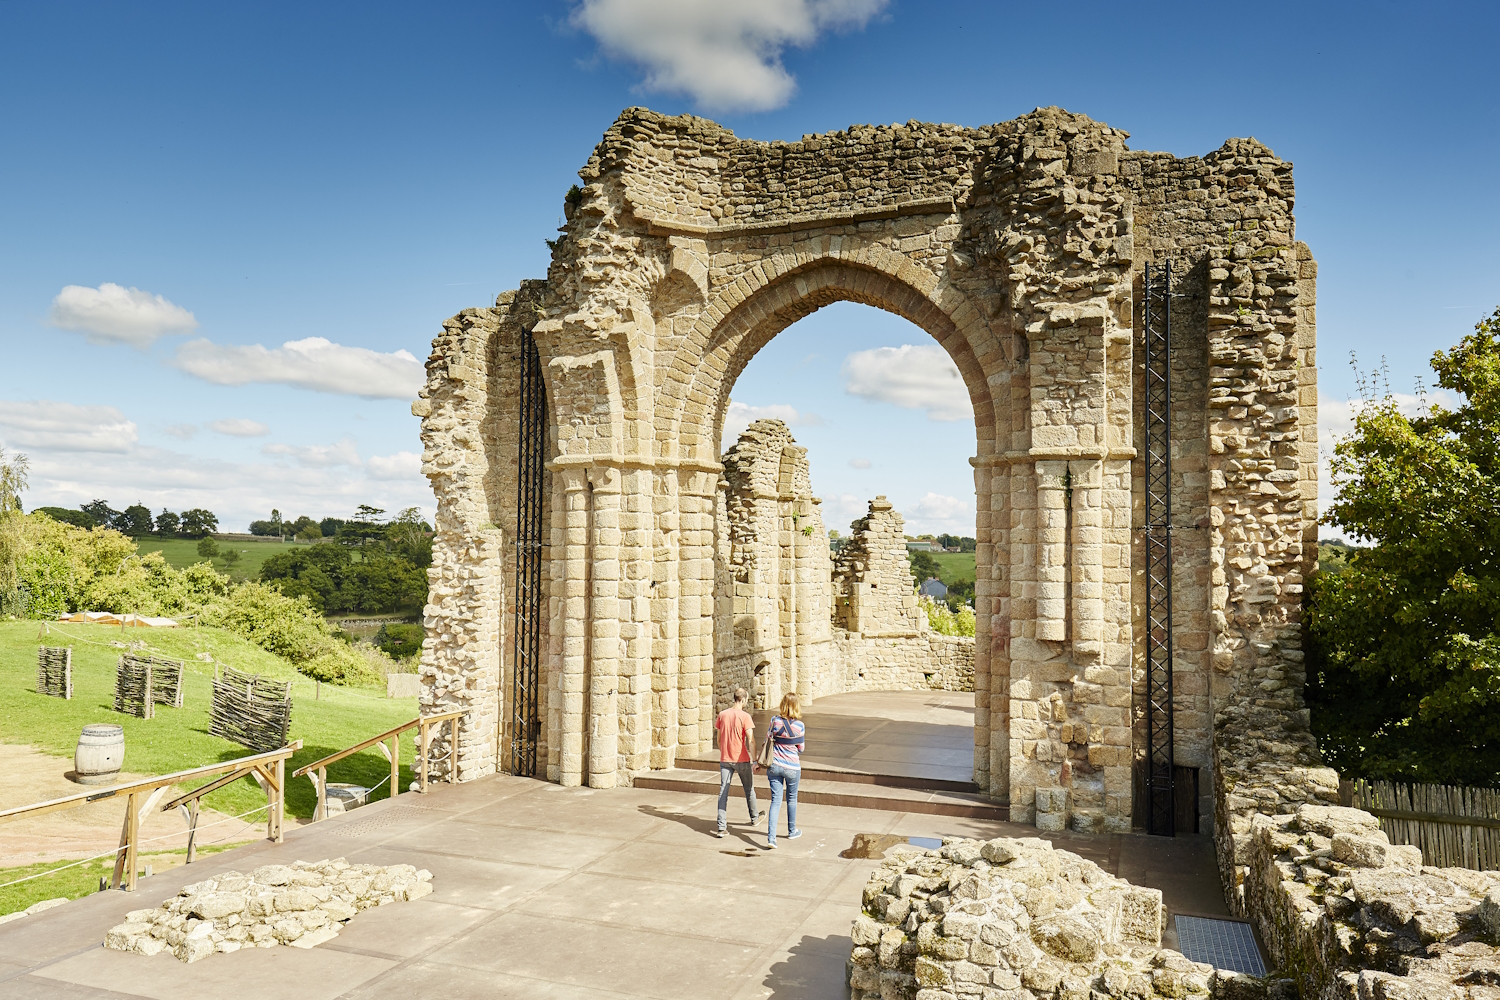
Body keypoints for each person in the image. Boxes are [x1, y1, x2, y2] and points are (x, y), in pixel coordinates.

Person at [713, 687, 761, 838]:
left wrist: (724, 752)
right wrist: (754, 760)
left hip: (725, 759)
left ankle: (721, 827)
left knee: (723, 792)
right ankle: (754, 818)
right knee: (749, 789)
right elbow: (751, 740)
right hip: (741, 759)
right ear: (744, 700)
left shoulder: (722, 715)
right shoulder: (745, 716)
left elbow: (719, 739)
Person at [764, 692, 805, 849]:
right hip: (792, 767)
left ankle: (771, 838)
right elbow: (801, 749)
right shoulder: (800, 726)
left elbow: (767, 740)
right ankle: (791, 830)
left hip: (774, 765)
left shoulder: (774, 721)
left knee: (775, 801)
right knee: (792, 799)